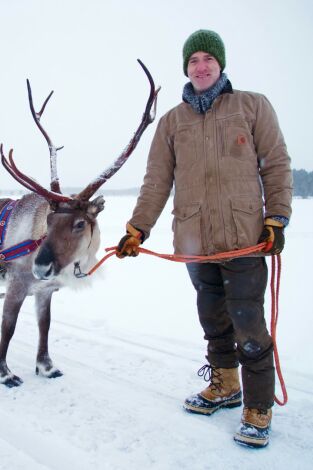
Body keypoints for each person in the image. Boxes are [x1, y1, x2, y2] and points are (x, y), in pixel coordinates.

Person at [116, 29, 292, 448]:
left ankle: (259, 406)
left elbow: (277, 164)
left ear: (220, 63)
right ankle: (226, 385)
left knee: (249, 324)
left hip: (245, 236)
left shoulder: (252, 105)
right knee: (213, 320)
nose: (201, 66)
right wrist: (139, 227)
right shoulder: (172, 122)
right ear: (186, 68)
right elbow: (157, 181)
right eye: (193, 60)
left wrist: (278, 217)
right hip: (194, 239)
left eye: (207, 59)